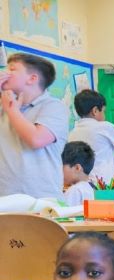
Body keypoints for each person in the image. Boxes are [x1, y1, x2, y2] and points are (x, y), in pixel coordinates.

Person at [0, 53, 68, 199]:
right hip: (4, 199)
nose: (4, 73)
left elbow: (36, 139)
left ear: (32, 78)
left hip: (41, 200)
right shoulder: (3, 105)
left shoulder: (54, 107)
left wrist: (12, 111)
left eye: (12, 69)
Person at [62, 140, 95, 206]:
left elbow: (63, 212)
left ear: (77, 168)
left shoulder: (75, 190)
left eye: (62, 167)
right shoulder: (92, 187)